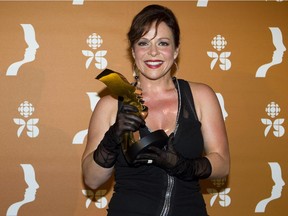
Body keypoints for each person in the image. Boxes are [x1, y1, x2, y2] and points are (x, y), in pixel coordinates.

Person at [82, 4, 230, 216]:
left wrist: (183, 166)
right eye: (143, 43)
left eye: (163, 43)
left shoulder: (201, 96)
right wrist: (112, 138)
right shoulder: (110, 104)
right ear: (133, 51)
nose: (153, 52)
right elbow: (92, 179)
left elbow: (222, 164)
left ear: (176, 49)